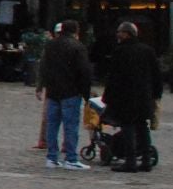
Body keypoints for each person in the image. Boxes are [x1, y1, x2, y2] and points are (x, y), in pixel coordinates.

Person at [101, 20, 163, 172]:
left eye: (120, 32)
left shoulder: (120, 51)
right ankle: (146, 161)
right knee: (142, 128)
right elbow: (157, 75)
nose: (118, 35)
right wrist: (156, 95)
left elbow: (114, 77)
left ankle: (130, 161)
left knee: (128, 128)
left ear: (126, 34)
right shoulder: (148, 50)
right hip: (144, 97)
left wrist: (107, 97)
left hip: (126, 97)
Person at [36, 20, 92, 170]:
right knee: (70, 126)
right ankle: (71, 158)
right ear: (76, 31)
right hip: (71, 91)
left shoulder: (50, 45)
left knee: (52, 125)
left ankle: (52, 157)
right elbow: (84, 71)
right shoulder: (78, 47)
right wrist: (86, 94)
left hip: (53, 91)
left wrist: (42, 86)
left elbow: (44, 66)